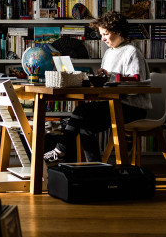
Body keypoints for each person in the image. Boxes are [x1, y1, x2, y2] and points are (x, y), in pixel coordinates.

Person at [43, 10, 152, 165]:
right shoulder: (108, 53)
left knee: (81, 111)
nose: (103, 39)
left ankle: (59, 151)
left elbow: (136, 86)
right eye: (101, 35)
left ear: (119, 31)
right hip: (114, 104)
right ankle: (95, 168)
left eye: (106, 34)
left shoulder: (131, 52)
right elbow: (109, 80)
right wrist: (101, 78)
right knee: (85, 127)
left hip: (133, 107)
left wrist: (111, 76)